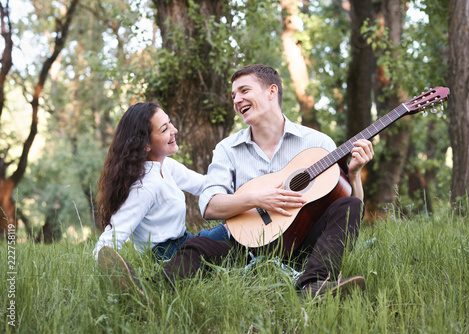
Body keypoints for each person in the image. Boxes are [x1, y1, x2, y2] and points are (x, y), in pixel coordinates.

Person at [101, 65, 373, 301]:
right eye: (233, 95)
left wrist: (354, 174)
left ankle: (313, 284)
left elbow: (350, 210)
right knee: (197, 247)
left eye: (244, 90)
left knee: (349, 205)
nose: (236, 99)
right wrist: (258, 199)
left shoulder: (318, 144)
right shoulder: (227, 149)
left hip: (302, 241)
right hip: (248, 245)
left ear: (272, 91)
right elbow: (209, 205)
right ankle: (146, 292)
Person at [93, 102, 229, 269]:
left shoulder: (166, 166)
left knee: (230, 232)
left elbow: (204, 185)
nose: (174, 130)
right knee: (232, 241)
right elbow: (113, 236)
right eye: (164, 129)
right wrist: (102, 268)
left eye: (170, 122)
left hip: (186, 242)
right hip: (167, 257)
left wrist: (245, 189)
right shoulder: (144, 186)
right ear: (145, 144)